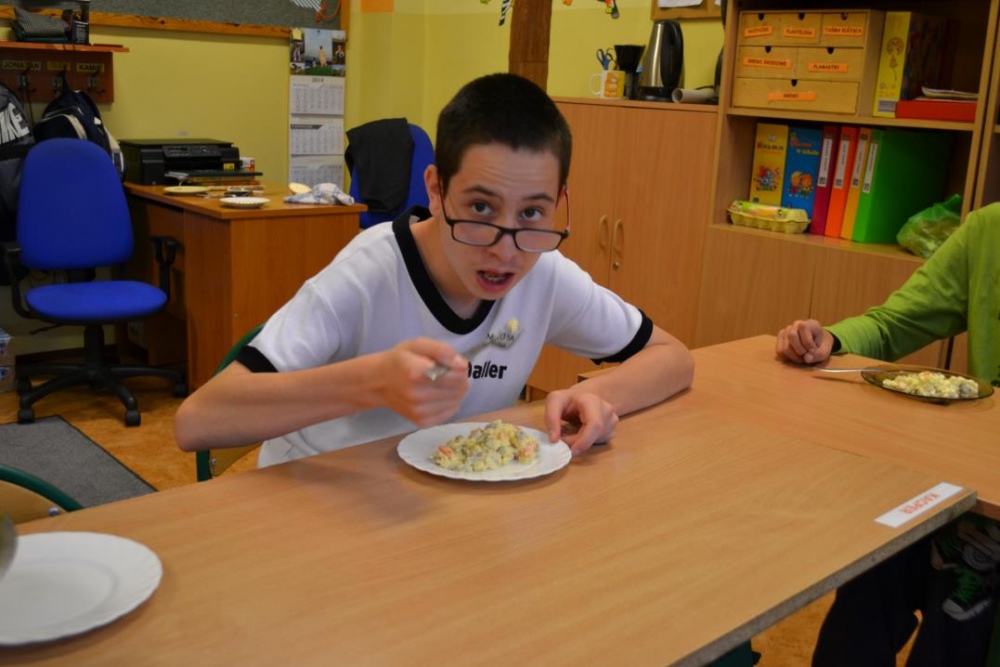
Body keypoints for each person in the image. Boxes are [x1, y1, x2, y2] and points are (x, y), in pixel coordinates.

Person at [175, 73, 694, 467]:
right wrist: (372, 383)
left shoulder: (545, 274)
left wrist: (597, 395)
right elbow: (198, 421)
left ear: (558, 203)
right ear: (436, 189)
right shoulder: (368, 273)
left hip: (441, 512)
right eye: (481, 208)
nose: (505, 250)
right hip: (315, 500)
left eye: (533, 213)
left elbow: (672, 358)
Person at [775, 202, 1000, 667]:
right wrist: (830, 340)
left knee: (962, 598)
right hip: (976, 479)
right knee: (874, 555)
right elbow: (895, 322)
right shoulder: (989, 230)